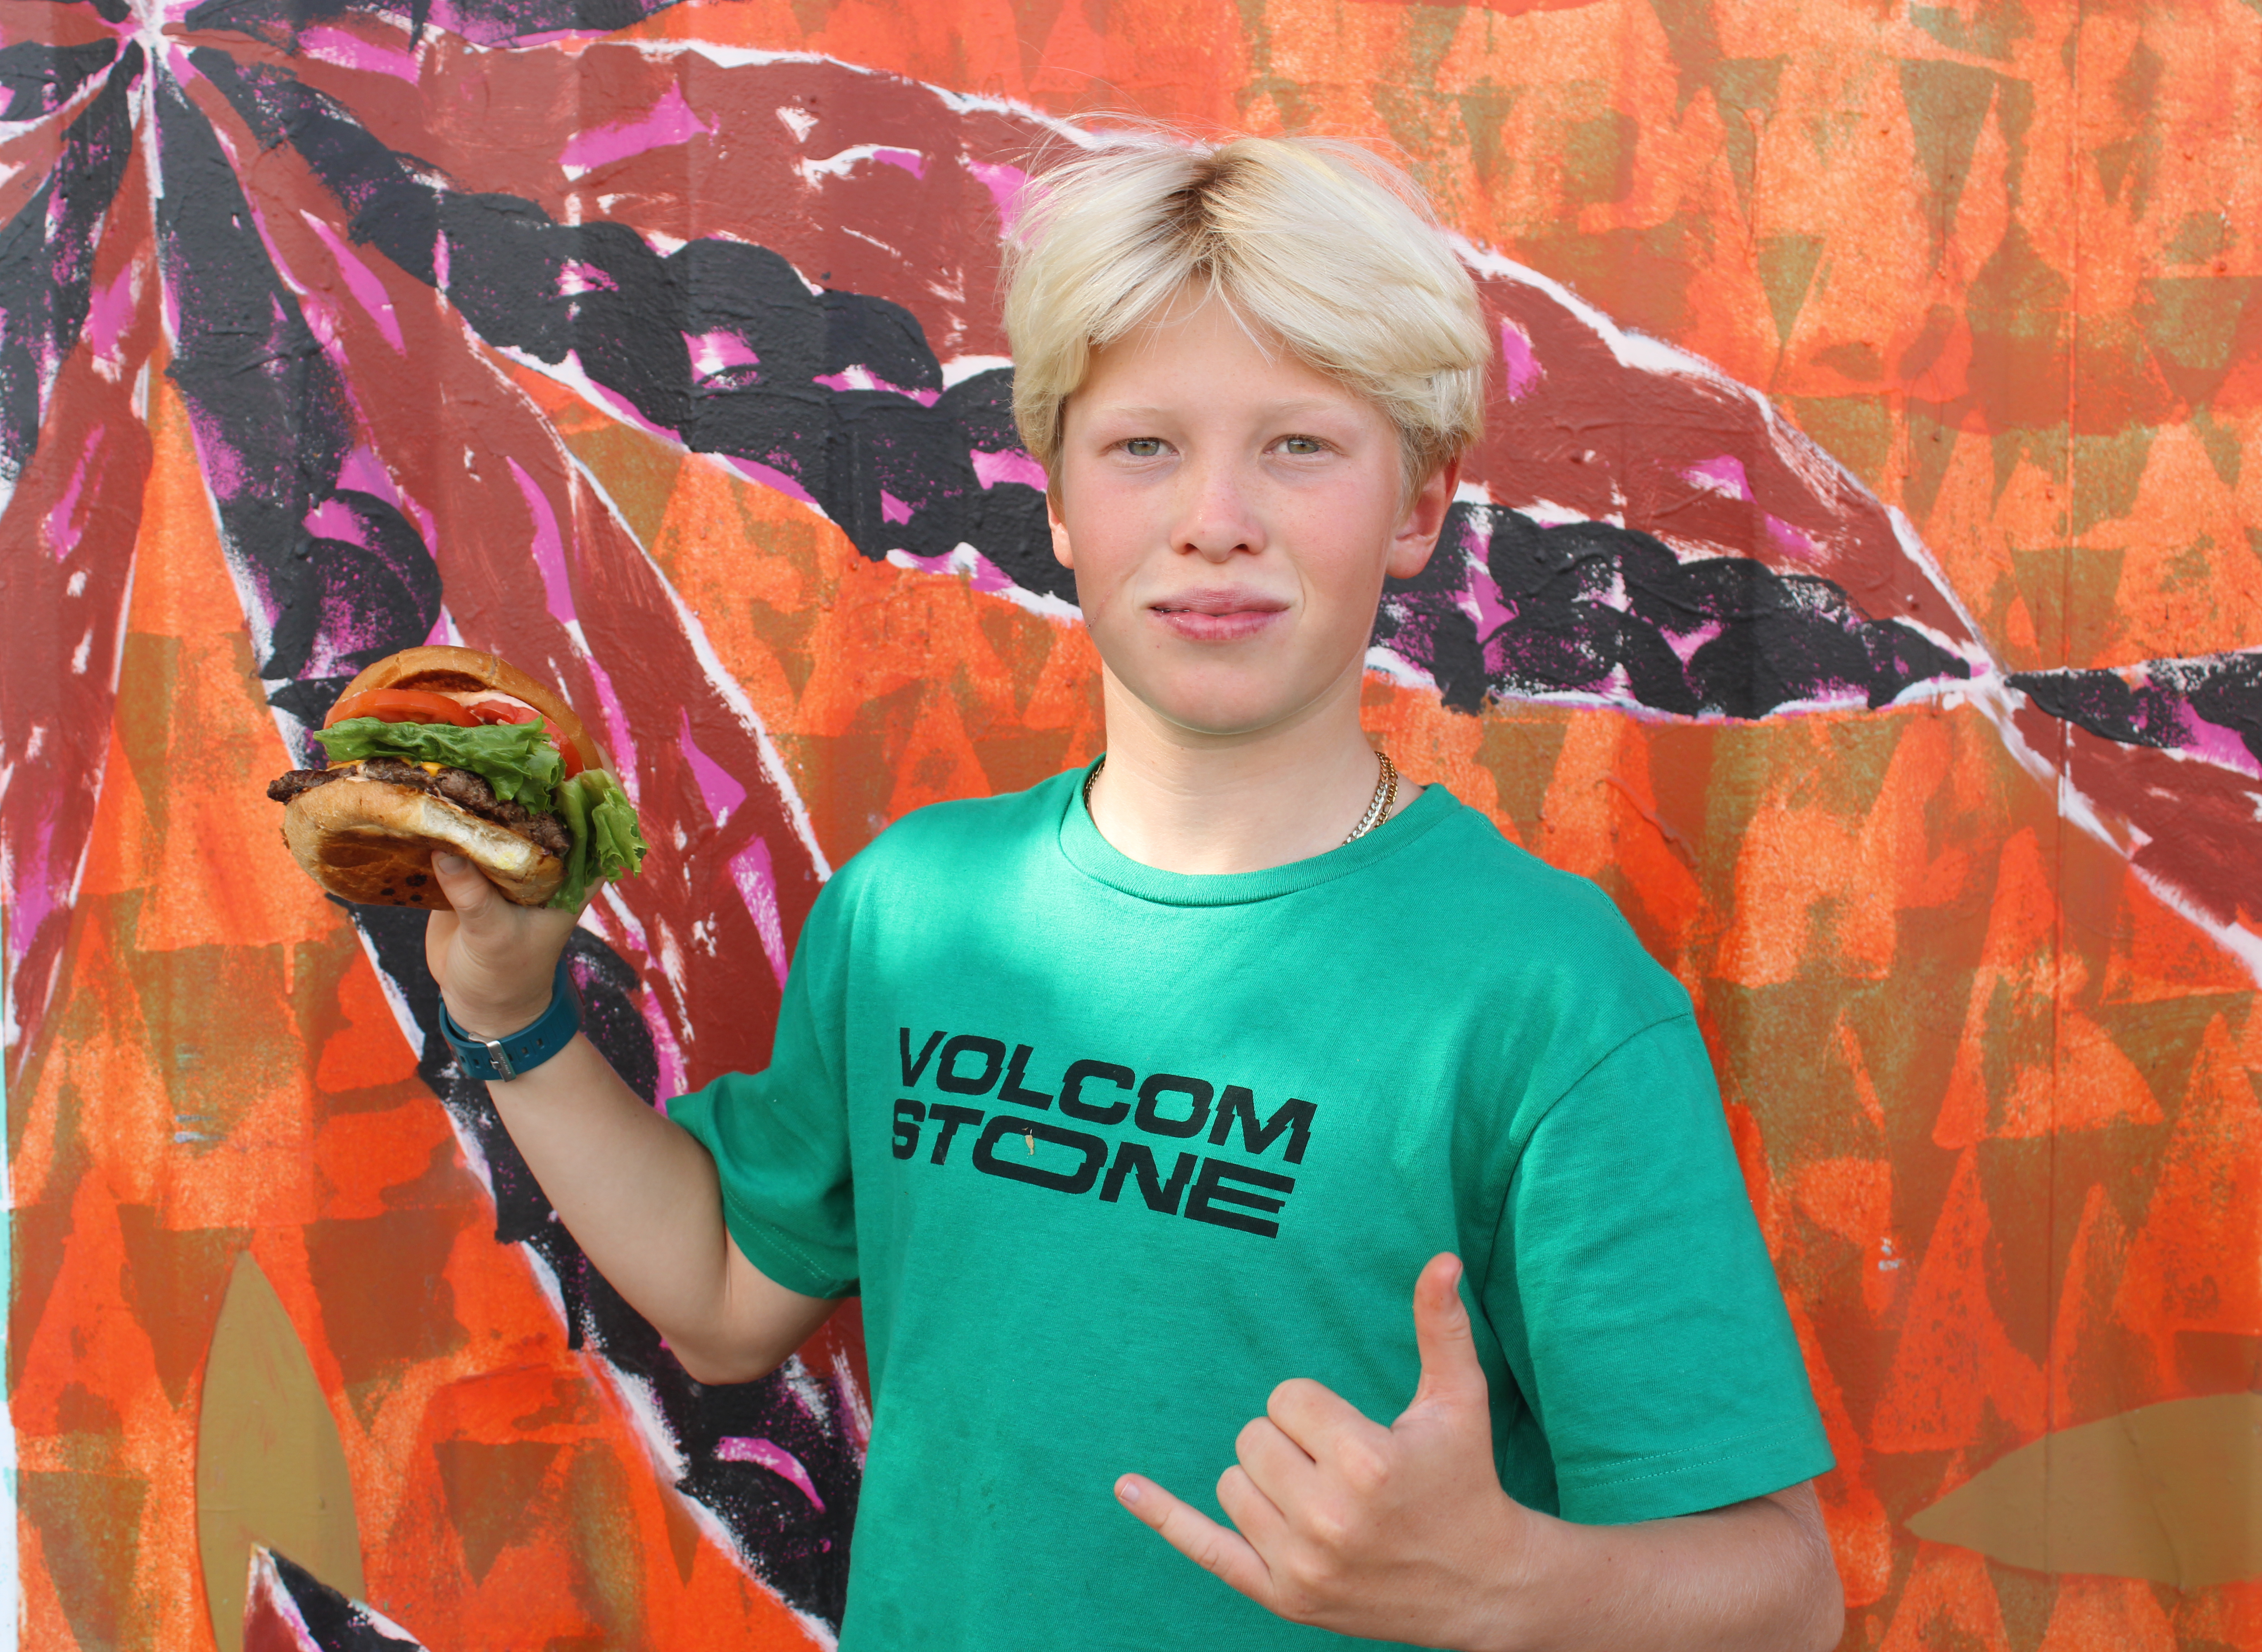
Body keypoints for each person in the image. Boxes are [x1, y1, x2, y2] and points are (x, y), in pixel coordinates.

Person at [423, 130, 1845, 1651]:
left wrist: (1508, 1584)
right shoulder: (911, 913)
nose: (1214, 517)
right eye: (1144, 446)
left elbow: (1789, 1598)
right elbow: (720, 1299)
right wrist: (509, 1015)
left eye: (1300, 446)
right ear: (1055, 499)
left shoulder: (1547, 994)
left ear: (1419, 504)